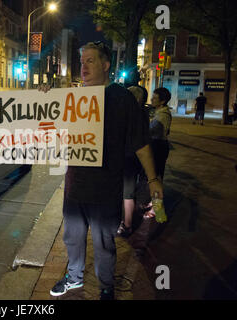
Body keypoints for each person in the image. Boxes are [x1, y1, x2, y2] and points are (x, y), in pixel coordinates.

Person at [40, 42, 163, 300]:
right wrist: (44, 98)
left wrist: (153, 179)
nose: (83, 66)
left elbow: (141, 142)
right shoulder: (70, 98)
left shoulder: (121, 99)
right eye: (82, 61)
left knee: (104, 244)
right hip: (75, 186)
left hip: (106, 188)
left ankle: (106, 285)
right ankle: (74, 278)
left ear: (106, 65)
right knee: (72, 238)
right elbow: (49, 130)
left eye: (90, 61)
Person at [117, 85, 149, 238]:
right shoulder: (142, 113)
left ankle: (127, 224)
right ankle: (125, 222)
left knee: (127, 193)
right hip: (131, 158)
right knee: (127, 192)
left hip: (128, 158)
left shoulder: (134, 115)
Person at [149, 87, 172, 180]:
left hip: (158, 146)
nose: (151, 99)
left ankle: (155, 193)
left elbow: (150, 130)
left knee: (155, 174)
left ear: (162, 101)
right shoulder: (158, 112)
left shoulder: (162, 115)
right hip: (157, 144)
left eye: (155, 98)